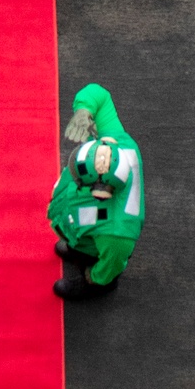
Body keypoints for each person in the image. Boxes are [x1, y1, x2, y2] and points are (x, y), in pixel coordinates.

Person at [48, 84, 143, 301]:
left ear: (99, 192)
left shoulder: (117, 232)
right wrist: (84, 111)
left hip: (96, 242)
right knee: (77, 244)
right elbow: (99, 95)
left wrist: (97, 277)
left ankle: (92, 282)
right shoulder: (119, 142)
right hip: (82, 226)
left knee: (100, 269)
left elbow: (114, 261)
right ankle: (75, 246)